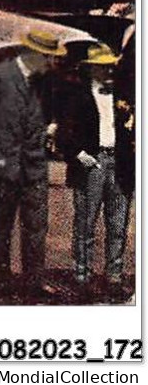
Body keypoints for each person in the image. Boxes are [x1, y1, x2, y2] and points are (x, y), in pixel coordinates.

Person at [0, 28, 66, 300]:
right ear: (35, 54)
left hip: (34, 167)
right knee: (2, 226)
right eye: (49, 58)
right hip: (3, 167)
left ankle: (34, 282)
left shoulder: (43, 83)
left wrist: (50, 127)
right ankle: (1, 278)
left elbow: (44, 114)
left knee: (37, 226)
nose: (52, 64)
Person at [55, 43, 133, 301]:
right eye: (103, 67)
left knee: (118, 223)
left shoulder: (124, 95)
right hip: (93, 162)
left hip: (119, 162)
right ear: (90, 70)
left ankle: (114, 275)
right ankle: (82, 275)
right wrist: (78, 154)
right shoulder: (77, 95)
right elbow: (65, 132)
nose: (108, 70)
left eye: (110, 65)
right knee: (85, 223)